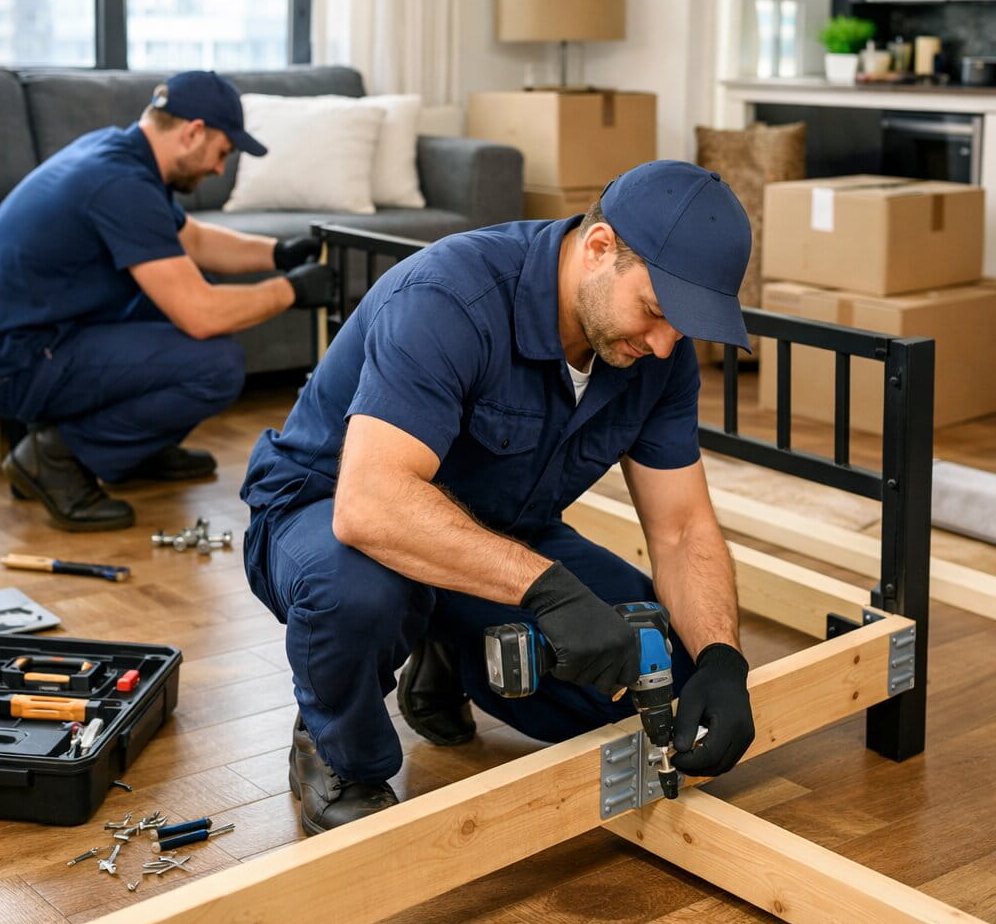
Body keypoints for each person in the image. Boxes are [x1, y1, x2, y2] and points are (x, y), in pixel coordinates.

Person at [241, 160, 757, 835]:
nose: (665, 345)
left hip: (500, 527)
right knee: (360, 595)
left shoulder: (657, 357)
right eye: (656, 312)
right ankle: (337, 749)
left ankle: (450, 644)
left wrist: (723, 658)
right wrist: (546, 592)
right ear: (599, 248)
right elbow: (370, 505)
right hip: (327, 512)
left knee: (661, 670)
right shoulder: (451, 298)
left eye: (682, 328)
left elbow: (683, 529)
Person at [0, 70, 331, 532]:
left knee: (176, 284)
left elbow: (193, 240)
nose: (220, 169)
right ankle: (52, 457)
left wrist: (276, 254)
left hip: (36, 335)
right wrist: (293, 291)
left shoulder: (121, 154)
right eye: (223, 152)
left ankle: (137, 447)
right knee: (215, 363)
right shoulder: (121, 185)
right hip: (16, 364)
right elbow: (200, 315)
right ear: (193, 132)